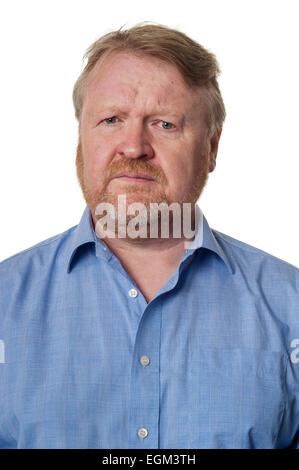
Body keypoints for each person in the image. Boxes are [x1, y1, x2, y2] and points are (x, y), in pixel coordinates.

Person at [0, 23, 298, 450]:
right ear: (80, 142)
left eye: (164, 124)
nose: (134, 146)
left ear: (211, 149)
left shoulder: (291, 306)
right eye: (111, 119)